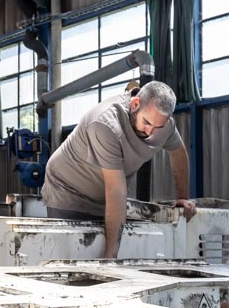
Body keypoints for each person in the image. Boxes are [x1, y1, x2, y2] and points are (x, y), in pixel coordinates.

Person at [41, 80, 197, 258]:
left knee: (106, 247)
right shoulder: (105, 124)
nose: (150, 132)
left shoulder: (165, 125)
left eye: (157, 127)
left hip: (104, 197)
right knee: (73, 257)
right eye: (146, 122)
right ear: (135, 104)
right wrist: (111, 254)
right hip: (68, 189)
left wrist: (183, 198)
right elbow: (116, 190)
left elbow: (178, 152)